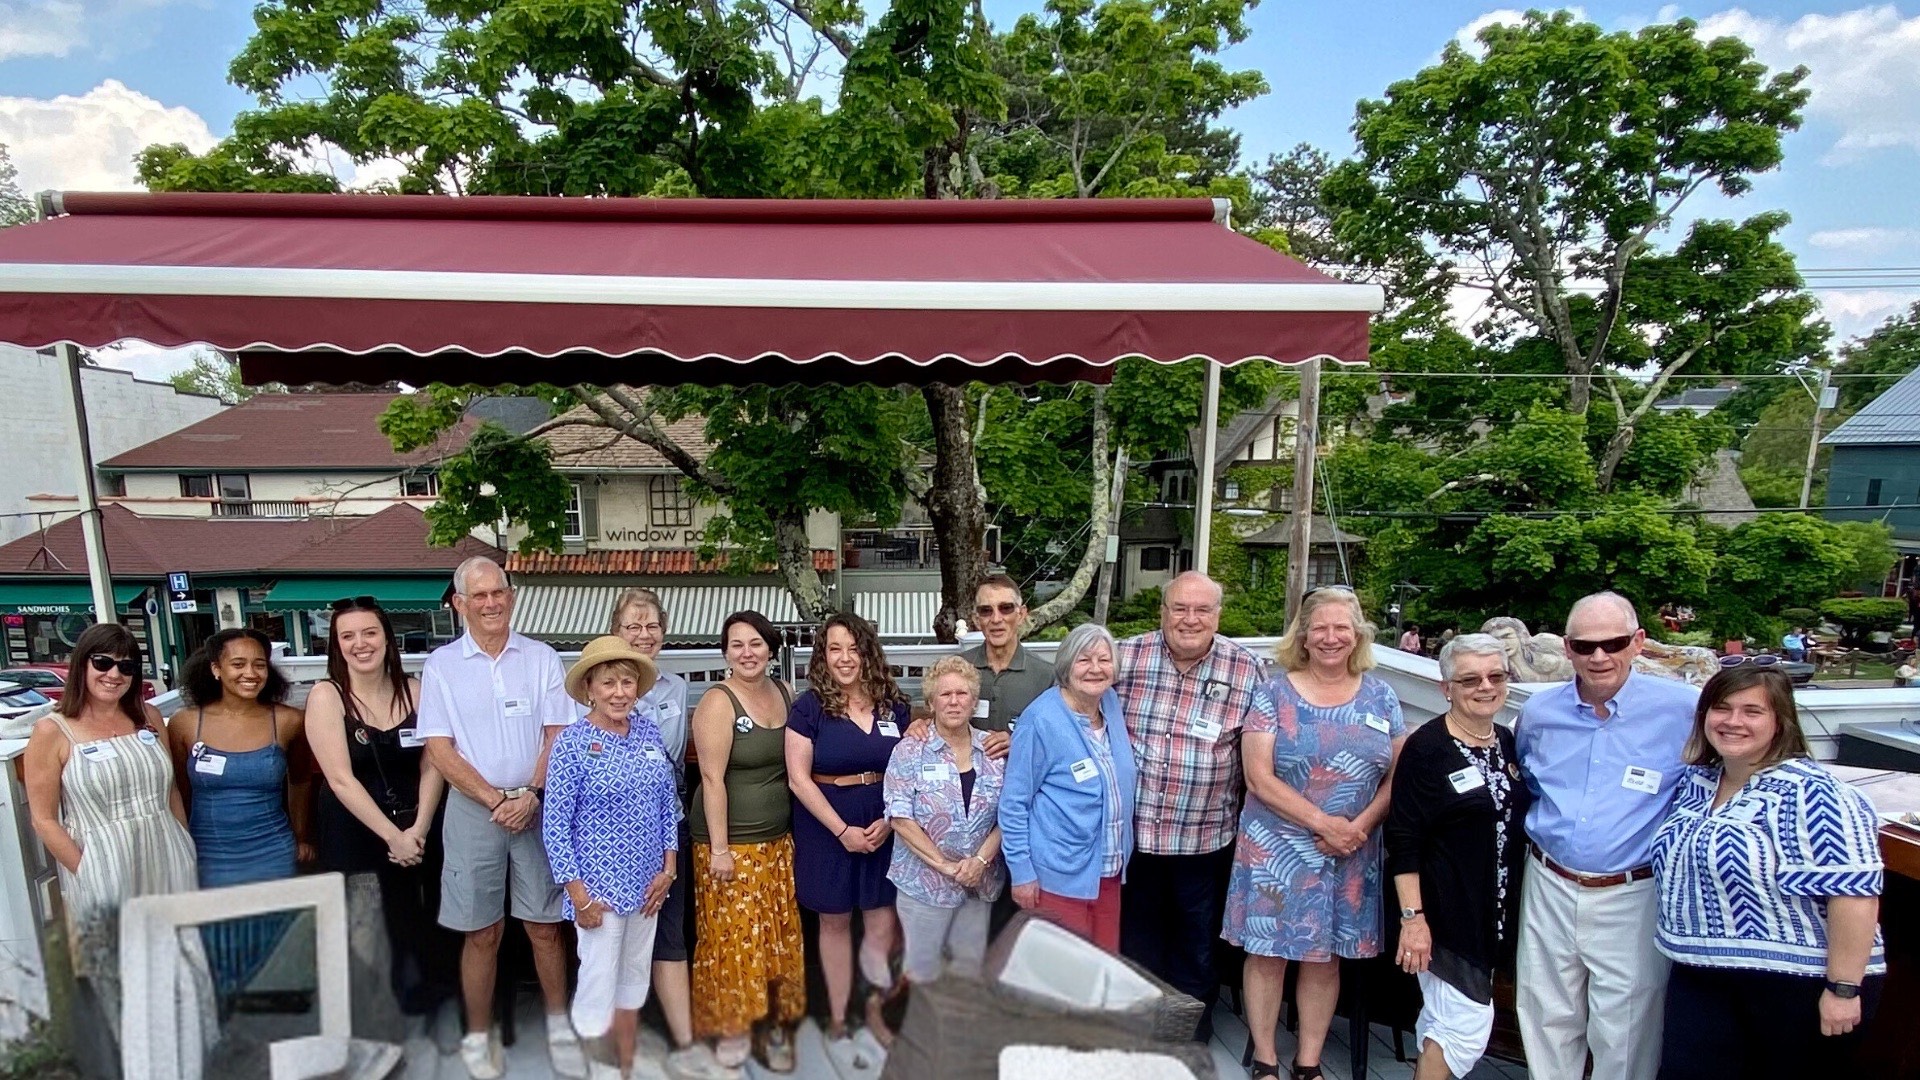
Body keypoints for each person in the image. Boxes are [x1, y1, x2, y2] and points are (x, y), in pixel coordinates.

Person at [1650, 666, 1886, 1077]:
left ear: (1781, 723)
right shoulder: (1697, 784)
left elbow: (1855, 895)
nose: (1733, 721)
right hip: (1699, 976)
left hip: (1795, 986)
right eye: (1721, 708)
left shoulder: (1816, 794)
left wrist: (1842, 989)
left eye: (1752, 711)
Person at [1514, 591, 1700, 1080]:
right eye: (1585, 645)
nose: (1599, 656)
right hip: (1549, 882)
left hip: (1632, 891)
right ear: (1568, 648)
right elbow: (1530, 784)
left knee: (1627, 1029)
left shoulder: (1685, 711)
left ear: (1638, 642)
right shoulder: (1538, 713)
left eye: (1613, 643)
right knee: (1544, 1014)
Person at [1228, 586, 1406, 1080]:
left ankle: (1308, 1061)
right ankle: (1265, 1058)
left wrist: (1360, 826)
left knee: (1324, 955)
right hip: (1277, 847)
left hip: (1351, 850)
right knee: (1268, 954)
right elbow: (1259, 777)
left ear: (1358, 636)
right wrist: (1324, 824)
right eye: (1320, 628)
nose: (1331, 638)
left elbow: (1397, 773)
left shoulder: (1381, 695)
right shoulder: (1273, 694)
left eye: (1341, 629)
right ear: (1303, 635)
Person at [417, 557, 581, 1080]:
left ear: (511, 596)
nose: (491, 603)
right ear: (459, 604)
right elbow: (440, 749)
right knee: (480, 930)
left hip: (538, 804)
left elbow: (559, 733)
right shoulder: (442, 665)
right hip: (473, 810)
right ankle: (478, 1034)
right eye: (479, 596)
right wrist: (494, 799)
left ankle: (559, 1026)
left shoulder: (541, 658)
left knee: (545, 926)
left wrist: (531, 793)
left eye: (499, 593)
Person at [23, 624, 215, 1070]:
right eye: (103, 662)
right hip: (103, 860)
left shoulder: (148, 717)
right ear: (82, 665)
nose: (114, 674)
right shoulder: (53, 731)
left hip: (166, 851)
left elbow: (169, 790)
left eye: (126, 665)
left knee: (180, 961)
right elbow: (44, 818)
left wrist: (183, 842)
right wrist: (87, 868)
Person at [1114, 571, 1269, 1038]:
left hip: (1205, 839)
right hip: (1133, 837)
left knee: (1196, 948)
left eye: (1202, 610)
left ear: (1217, 615)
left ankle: (1185, 1041)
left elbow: (1265, 750)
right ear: (1162, 612)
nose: (1190, 619)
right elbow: (1074, 710)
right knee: (1137, 945)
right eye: (1179, 608)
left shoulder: (1247, 669)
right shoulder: (1125, 657)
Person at [1386, 634, 1529, 1080]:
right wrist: (1414, 920)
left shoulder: (1505, 741)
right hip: (1446, 916)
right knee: (1464, 1027)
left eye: (1495, 676)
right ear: (1446, 687)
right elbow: (1403, 838)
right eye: (1469, 679)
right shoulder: (1427, 748)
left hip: (1493, 913)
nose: (1485, 686)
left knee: (1443, 1021)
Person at [306, 596, 457, 1018]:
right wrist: (393, 836)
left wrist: (419, 828)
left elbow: (434, 764)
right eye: (348, 636)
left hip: (419, 825)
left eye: (370, 632)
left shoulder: (417, 691)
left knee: (420, 915)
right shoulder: (327, 697)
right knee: (366, 924)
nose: (361, 643)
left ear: (387, 639)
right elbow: (339, 777)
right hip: (357, 831)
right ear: (337, 646)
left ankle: (424, 999)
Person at [607, 591, 733, 1080]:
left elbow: (683, 757)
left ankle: (683, 1044)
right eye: (633, 626)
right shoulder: (598, 688)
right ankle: (623, 1050)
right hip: (611, 835)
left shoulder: (678, 690)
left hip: (667, 826)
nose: (643, 635)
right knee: (618, 937)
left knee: (669, 933)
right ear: (615, 629)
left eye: (652, 625)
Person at [545, 636, 679, 1080]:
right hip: (597, 890)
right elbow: (555, 825)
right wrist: (578, 895)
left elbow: (666, 804)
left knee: (634, 978)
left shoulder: (648, 731)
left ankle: (623, 1064)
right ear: (589, 689)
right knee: (598, 982)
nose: (620, 692)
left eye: (627, 682)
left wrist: (669, 868)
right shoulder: (570, 744)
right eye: (608, 683)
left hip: (648, 884)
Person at [689, 611, 805, 1072]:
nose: (747, 653)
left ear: (771, 649)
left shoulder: (784, 693)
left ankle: (774, 1026)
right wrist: (719, 850)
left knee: (776, 938)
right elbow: (711, 779)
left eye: (756, 643)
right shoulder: (718, 702)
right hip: (730, 846)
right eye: (736, 645)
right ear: (725, 652)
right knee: (733, 940)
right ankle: (732, 1029)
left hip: (778, 842)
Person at [786, 613, 909, 1046]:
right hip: (826, 826)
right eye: (834, 648)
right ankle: (838, 1017)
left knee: (881, 922)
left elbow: (911, 772)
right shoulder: (808, 708)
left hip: (884, 822)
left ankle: (874, 1012)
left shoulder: (894, 704)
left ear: (868, 652)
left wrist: (892, 821)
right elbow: (798, 779)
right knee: (834, 923)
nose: (844, 658)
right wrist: (842, 831)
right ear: (822, 654)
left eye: (853, 648)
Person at [172, 626, 311, 1003]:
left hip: (271, 854)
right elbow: (179, 795)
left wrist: (301, 836)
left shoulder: (287, 720)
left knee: (275, 951)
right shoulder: (185, 723)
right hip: (208, 858)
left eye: (259, 665)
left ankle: (276, 1041)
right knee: (220, 952)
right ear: (216, 668)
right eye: (238, 664)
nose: (250, 673)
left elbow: (300, 782)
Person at [1000, 622, 1135, 951]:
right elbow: (1013, 803)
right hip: (1057, 877)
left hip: (1109, 870)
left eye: (1104, 660)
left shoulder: (1111, 704)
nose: (1095, 669)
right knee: (1063, 979)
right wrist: (1021, 872)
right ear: (1065, 665)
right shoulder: (1041, 719)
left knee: (1103, 969)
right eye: (1084, 660)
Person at [883, 655, 1005, 984]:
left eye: (962, 694)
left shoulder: (993, 750)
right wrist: (947, 867)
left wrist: (979, 860)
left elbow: (1010, 814)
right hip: (924, 885)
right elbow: (900, 818)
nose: (954, 701)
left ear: (974, 700)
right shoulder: (909, 751)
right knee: (922, 973)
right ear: (932, 702)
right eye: (945, 694)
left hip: (979, 884)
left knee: (967, 970)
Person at [959, 574, 1055, 751]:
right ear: (976, 619)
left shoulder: (1047, 676)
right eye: (986, 610)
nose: (996, 619)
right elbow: (938, 725)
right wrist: (920, 726)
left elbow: (1057, 737)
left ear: (1021, 614)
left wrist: (1019, 741)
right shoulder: (957, 670)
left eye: (1006, 608)